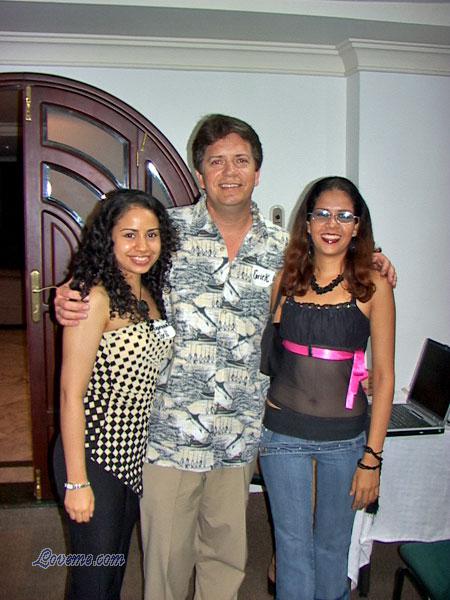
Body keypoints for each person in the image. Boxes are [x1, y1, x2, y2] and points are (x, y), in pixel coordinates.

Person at [54, 116, 396, 600]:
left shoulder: (286, 252)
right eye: (216, 162)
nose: (229, 172)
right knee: (166, 570)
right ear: (200, 173)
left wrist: (377, 258)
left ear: (258, 172)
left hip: (239, 437)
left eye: (241, 161)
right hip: (169, 437)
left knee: (224, 567)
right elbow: (111, 266)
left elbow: (338, 261)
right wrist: (70, 290)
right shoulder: (165, 234)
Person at [259, 176, 395, 600]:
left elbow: (385, 378)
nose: (331, 224)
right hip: (282, 433)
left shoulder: (374, 286)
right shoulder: (286, 278)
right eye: (322, 214)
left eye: (344, 216)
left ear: (358, 226)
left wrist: (372, 459)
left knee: (334, 546)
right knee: (293, 548)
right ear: (307, 222)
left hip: (346, 439)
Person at [53, 189, 178, 600]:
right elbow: (71, 395)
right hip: (92, 453)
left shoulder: (148, 292)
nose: (142, 246)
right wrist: (76, 481)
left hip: (130, 455)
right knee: (92, 581)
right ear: (107, 238)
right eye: (129, 235)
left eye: (152, 235)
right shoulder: (94, 297)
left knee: (112, 573)